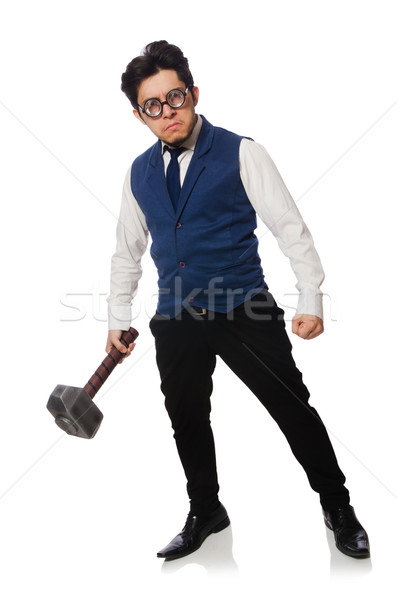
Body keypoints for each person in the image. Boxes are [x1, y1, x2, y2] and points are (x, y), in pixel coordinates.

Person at [106, 40, 370, 561]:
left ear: (194, 93)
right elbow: (126, 252)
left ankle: (338, 506)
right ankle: (206, 510)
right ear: (139, 115)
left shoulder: (243, 152)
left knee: (292, 409)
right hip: (176, 319)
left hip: (245, 310)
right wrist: (117, 315)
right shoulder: (137, 173)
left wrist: (310, 299)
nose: (167, 112)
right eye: (152, 105)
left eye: (175, 96)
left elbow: (290, 229)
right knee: (187, 418)